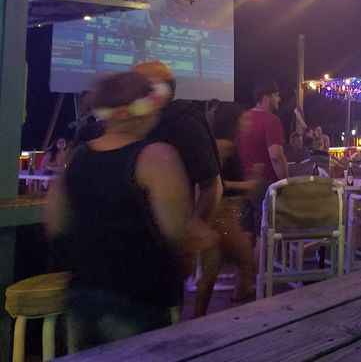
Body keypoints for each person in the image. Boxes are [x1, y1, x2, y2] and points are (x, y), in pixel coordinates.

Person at [45, 72, 191, 350]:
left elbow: (55, 223)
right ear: (133, 111)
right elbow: (175, 230)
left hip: (81, 294)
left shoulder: (78, 156)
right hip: (139, 296)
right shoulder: (156, 157)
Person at [132, 61, 223, 236]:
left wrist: (191, 233)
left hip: (168, 239)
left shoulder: (183, 122)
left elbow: (211, 186)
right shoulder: (141, 125)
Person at [194, 103, 257, 317]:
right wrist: (247, 185)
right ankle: (241, 306)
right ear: (234, 122)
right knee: (248, 260)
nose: (248, 123)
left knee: (210, 273)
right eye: (244, 119)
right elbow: (214, 182)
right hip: (222, 216)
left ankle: (197, 319)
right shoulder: (224, 146)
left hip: (222, 215)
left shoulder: (221, 144)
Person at [238, 82, 288, 191]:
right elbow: (276, 157)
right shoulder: (271, 120)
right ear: (266, 97)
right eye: (277, 95)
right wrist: (286, 184)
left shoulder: (243, 117)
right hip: (266, 189)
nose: (279, 99)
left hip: (245, 185)